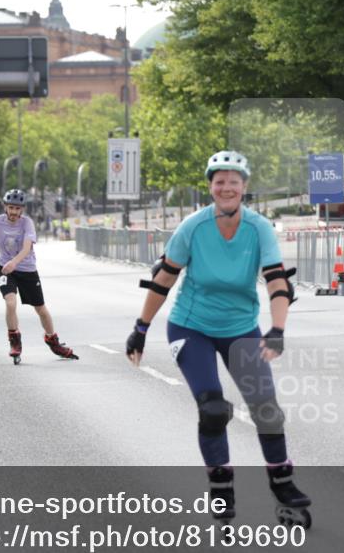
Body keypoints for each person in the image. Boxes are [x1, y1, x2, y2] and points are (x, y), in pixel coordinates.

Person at [125, 150, 311, 527]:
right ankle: (222, 487)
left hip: (240, 327)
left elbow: (277, 280)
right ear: (210, 187)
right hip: (191, 327)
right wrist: (141, 328)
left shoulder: (259, 228)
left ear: (244, 187)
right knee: (213, 409)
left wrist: (277, 330)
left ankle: (282, 483)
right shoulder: (193, 227)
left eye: (233, 181)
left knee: (267, 410)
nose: (226, 187)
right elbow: (164, 279)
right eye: (219, 181)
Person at [0, 189, 79, 363]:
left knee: (40, 308)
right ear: (5, 207)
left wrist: (15, 262)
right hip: (4, 268)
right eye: (11, 208)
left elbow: (27, 248)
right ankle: (15, 341)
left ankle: (52, 340)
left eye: (18, 209)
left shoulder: (27, 223)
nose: (14, 212)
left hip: (26, 270)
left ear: (22, 210)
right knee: (10, 303)